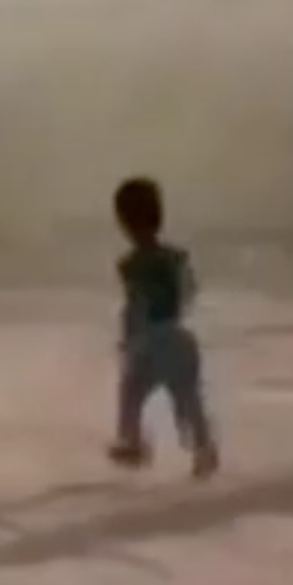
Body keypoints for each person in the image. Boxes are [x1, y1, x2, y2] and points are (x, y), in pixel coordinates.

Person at [108, 176, 219, 478]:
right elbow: (190, 290)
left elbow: (136, 306)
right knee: (187, 398)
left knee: (131, 393)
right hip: (177, 336)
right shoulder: (175, 257)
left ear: (124, 223)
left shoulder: (130, 264)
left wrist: (128, 339)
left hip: (150, 340)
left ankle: (134, 443)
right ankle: (204, 448)